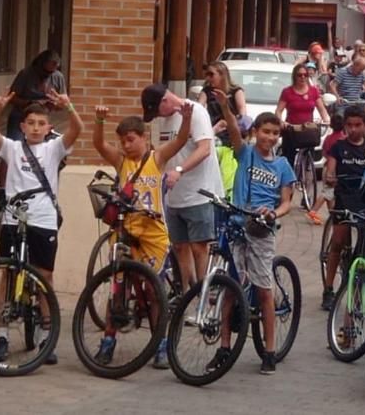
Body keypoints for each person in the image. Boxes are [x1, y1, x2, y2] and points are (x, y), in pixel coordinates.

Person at [0, 88, 83, 365]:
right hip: (14, 217)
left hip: (43, 218)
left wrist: (69, 107)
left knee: (44, 277)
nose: (36, 128)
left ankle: (44, 334)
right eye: (31, 123)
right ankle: (2, 333)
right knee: (7, 273)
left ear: (49, 127)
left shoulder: (54, 148)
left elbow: (78, 129)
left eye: (41, 124)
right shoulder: (12, 148)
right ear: (22, 127)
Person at [90, 101, 194, 370]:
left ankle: (160, 343)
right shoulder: (121, 161)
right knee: (118, 289)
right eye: (122, 141)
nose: (126, 145)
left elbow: (182, 140)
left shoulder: (156, 158)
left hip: (153, 235)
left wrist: (187, 119)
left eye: (131, 140)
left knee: (151, 290)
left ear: (144, 138)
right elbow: (100, 145)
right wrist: (99, 121)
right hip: (125, 231)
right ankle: (108, 343)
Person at [215, 105, 296, 375]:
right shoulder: (245, 153)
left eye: (275, 133)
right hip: (237, 224)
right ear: (255, 132)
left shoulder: (283, 166)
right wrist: (226, 107)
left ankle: (269, 351)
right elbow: (234, 130)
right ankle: (224, 347)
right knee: (230, 288)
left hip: (262, 229)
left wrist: (273, 213)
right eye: (265, 131)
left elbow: (286, 203)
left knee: (264, 291)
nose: (270, 137)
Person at [142, 83, 224, 291]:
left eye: (156, 110)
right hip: (173, 195)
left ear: (165, 101)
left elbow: (204, 148)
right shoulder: (164, 121)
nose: (157, 116)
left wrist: (179, 169)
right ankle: (184, 293)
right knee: (179, 246)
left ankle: (202, 294)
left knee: (199, 247)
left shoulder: (195, 112)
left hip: (198, 192)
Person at [321, 105, 365, 310]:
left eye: (358, 125)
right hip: (344, 199)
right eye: (349, 125)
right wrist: (330, 177)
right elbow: (330, 169)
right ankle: (328, 289)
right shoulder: (338, 147)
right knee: (337, 243)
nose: (353, 129)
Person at [275, 62, 330, 169]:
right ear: (294, 76)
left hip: (307, 131)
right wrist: (282, 122)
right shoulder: (287, 92)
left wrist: (326, 119)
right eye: (299, 75)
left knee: (308, 162)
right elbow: (278, 111)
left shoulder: (313, 91)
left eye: (305, 75)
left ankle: (307, 178)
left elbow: (322, 109)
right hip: (291, 130)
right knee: (288, 159)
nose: (303, 77)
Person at [6, 50, 68, 141]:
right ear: (39, 65)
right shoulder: (26, 74)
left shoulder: (58, 77)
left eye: (51, 72)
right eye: (45, 71)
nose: (47, 75)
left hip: (41, 119)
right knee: (16, 145)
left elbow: (62, 104)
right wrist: (30, 103)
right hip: (20, 117)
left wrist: (55, 104)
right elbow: (12, 98)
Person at [306, 111, 347, 225]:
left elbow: (324, 152)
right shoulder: (343, 139)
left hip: (326, 167)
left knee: (330, 195)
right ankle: (314, 210)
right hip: (334, 171)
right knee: (327, 192)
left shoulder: (328, 138)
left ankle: (332, 215)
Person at [198, 61, 248, 137]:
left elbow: (242, 112)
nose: (208, 78)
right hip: (213, 131)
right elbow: (199, 108)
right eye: (206, 75)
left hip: (232, 131)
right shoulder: (206, 91)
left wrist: (239, 126)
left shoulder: (236, 91)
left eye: (211, 75)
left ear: (222, 75)